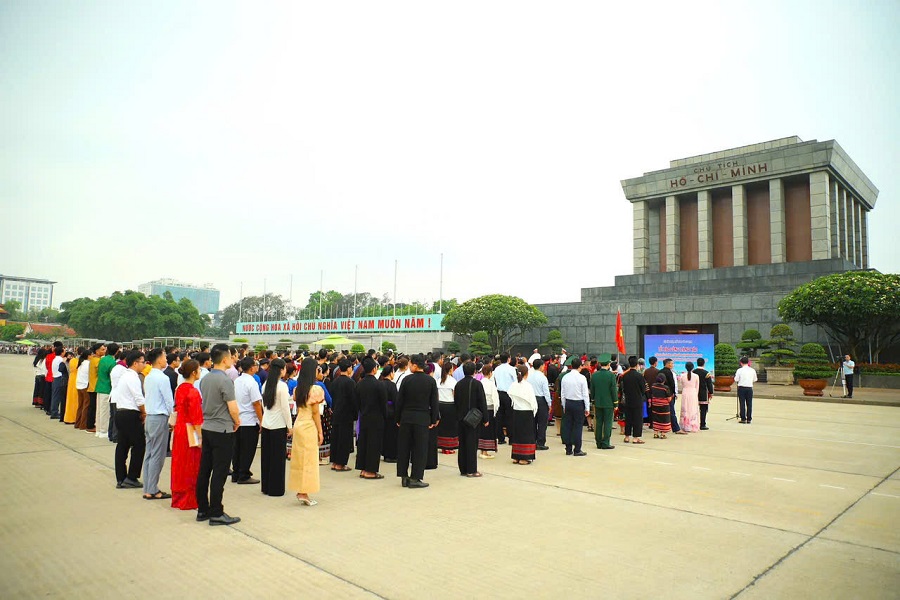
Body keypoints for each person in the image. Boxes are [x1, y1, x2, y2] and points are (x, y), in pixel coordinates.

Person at [196, 344, 241, 526]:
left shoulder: (205, 379)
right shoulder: (225, 380)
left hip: (207, 427)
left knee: (205, 470)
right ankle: (216, 512)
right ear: (224, 359)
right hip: (222, 429)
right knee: (219, 472)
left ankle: (202, 508)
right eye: (231, 357)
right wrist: (237, 421)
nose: (233, 360)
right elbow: (232, 407)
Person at [395, 354, 440, 489]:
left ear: (415, 365)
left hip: (406, 417)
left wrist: (398, 418)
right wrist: (434, 419)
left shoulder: (406, 380)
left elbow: (399, 401)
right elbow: (434, 402)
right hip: (422, 418)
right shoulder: (430, 381)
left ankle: (403, 476)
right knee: (420, 449)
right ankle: (415, 477)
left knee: (404, 447)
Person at [288, 357, 325, 506]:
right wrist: (320, 432)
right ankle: (304, 492)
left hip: (299, 424)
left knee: (299, 459)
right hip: (309, 425)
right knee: (309, 460)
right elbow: (315, 413)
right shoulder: (315, 389)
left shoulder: (298, 389)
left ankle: (301, 490)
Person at [142, 348, 174, 500]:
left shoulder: (149, 376)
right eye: (164, 356)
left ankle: (148, 487)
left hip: (150, 417)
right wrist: (172, 418)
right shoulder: (162, 378)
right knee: (157, 455)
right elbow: (169, 401)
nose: (166, 359)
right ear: (159, 359)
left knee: (149, 454)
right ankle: (152, 489)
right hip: (159, 417)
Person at [171, 360, 203, 510]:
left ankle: (178, 496)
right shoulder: (193, 392)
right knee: (191, 464)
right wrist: (200, 436)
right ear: (194, 373)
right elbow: (196, 417)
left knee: (179, 463)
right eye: (199, 370)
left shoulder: (180, 389)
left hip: (180, 428)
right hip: (190, 430)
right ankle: (189, 498)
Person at [113, 350, 147, 489]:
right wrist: (144, 412)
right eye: (142, 362)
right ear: (135, 363)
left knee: (122, 446)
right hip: (130, 414)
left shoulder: (124, 376)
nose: (144, 365)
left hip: (121, 412)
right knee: (139, 445)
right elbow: (139, 398)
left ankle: (121, 478)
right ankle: (132, 477)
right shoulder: (133, 377)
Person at [261, 358, 292, 497]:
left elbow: (264, 405)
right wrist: (290, 426)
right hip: (278, 425)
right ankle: (276, 489)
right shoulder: (282, 387)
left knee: (267, 457)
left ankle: (266, 486)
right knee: (277, 458)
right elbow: (285, 409)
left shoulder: (266, 384)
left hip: (266, 423)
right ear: (281, 370)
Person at [232, 356, 263, 485]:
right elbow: (256, 403)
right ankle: (244, 474)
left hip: (237, 419)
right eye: (255, 365)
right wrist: (261, 420)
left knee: (237, 448)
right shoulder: (252, 382)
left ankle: (236, 472)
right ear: (251, 368)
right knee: (247, 449)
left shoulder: (237, 381)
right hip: (249, 420)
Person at [355, 357, 387, 479]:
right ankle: (371, 470)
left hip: (364, 416)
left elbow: (357, 402)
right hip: (376, 417)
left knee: (363, 442)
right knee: (374, 444)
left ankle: (363, 468)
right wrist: (385, 416)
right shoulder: (379, 385)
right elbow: (383, 404)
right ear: (374, 369)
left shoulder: (359, 384)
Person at [454, 361, 488, 476]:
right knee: (472, 444)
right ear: (474, 371)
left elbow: (456, 402)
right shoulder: (477, 384)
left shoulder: (458, 384)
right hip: (473, 419)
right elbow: (482, 402)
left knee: (462, 443)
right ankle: (471, 470)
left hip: (461, 418)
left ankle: (463, 469)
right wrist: (485, 419)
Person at [328, 358, 358, 471]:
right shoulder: (350, 383)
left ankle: (334, 462)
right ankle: (341, 463)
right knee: (344, 439)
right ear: (349, 368)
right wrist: (355, 413)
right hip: (346, 414)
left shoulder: (335, 382)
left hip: (336, 412)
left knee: (335, 438)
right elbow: (353, 400)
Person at [508, 365, 538, 464]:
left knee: (517, 434)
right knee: (526, 435)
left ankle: (516, 457)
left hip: (516, 411)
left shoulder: (514, 384)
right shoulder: (528, 386)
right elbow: (533, 401)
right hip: (527, 412)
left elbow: (511, 396)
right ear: (527, 374)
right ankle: (524, 458)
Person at [559, 358, 590, 456]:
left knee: (568, 426)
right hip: (578, 403)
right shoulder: (582, 378)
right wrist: (587, 407)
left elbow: (563, 393)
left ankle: (568, 448)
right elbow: (585, 394)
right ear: (580, 366)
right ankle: (577, 449)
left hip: (568, 402)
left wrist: (564, 405)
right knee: (578, 426)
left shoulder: (565, 377)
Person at [590, 355, 617, 450]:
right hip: (608, 403)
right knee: (608, 423)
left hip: (597, 402)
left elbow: (592, 390)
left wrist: (593, 400)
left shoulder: (594, 375)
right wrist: (615, 403)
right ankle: (605, 442)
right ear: (608, 364)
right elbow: (613, 390)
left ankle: (598, 442)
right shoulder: (611, 375)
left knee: (598, 423)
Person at [621, 356, 648, 444]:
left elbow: (623, 389)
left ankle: (627, 436)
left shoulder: (625, 376)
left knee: (628, 418)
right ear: (637, 365)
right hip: (637, 400)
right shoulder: (639, 376)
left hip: (628, 400)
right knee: (637, 419)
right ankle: (636, 438)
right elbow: (643, 389)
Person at [493, 353, 517, 445]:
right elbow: (515, 382)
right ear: (508, 359)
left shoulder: (497, 369)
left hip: (499, 393)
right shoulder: (511, 369)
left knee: (499, 416)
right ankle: (511, 438)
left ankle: (500, 438)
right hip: (509, 394)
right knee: (510, 416)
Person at [436, 362, 459, 454]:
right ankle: (449, 447)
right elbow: (455, 395)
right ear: (450, 370)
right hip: (450, 406)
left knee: (442, 426)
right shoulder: (453, 381)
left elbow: (437, 395)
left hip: (440, 405)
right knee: (450, 427)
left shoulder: (439, 380)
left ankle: (442, 446)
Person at [529, 359, 552, 451]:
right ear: (541, 366)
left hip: (532, 399)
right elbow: (546, 392)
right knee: (542, 423)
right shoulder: (543, 377)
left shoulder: (530, 376)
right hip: (541, 400)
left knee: (533, 422)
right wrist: (549, 403)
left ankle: (533, 441)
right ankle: (540, 442)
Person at [478, 364, 498, 459]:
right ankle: (485, 452)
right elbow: (495, 398)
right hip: (489, 409)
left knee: (481, 430)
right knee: (488, 430)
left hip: (480, 409)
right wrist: (496, 409)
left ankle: (482, 450)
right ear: (490, 373)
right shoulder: (491, 384)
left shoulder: (480, 383)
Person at [379, 365, 399, 463]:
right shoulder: (392, 385)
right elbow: (396, 400)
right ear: (390, 373)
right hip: (391, 411)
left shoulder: (379, 383)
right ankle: (390, 455)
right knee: (391, 434)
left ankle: (382, 452)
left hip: (380, 410)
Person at [661, 358, 684, 434]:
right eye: (672, 363)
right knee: (671, 411)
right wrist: (674, 393)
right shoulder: (669, 372)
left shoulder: (660, 371)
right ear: (668, 364)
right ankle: (676, 428)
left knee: (662, 411)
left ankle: (663, 427)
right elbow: (672, 384)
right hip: (669, 395)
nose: (672, 365)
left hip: (661, 394)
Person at [678, 361, 700, 433]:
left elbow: (681, 385)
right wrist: (696, 394)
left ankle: (685, 425)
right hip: (693, 393)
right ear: (693, 367)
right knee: (693, 409)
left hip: (685, 392)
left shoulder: (682, 376)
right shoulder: (696, 376)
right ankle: (693, 425)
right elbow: (697, 387)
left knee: (685, 409)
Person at [734, 356, 757, 424]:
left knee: (742, 403)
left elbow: (736, 379)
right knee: (749, 403)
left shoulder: (739, 370)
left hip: (741, 388)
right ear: (748, 362)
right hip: (749, 388)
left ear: (741, 363)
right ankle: (749, 419)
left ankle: (743, 418)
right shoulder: (752, 370)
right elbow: (755, 379)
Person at [649, 373, 672, 438]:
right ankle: (663, 434)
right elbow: (669, 399)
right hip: (664, 406)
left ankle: (655, 433)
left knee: (656, 418)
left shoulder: (653, 386)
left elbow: (651, 394)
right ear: (664, 380)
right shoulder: (665, 388)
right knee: (664, 419)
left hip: (655, 405)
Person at [694, 358, 714, 430]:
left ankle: (693, 423)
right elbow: (709, 384)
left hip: (694, 393)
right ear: (704, 364)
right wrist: (711, 392)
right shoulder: (706, 373)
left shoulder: (693, 372)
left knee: (693, 409)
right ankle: (702, 424)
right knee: (703, 409)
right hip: (703, 393)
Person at [74, 349, 91, 430]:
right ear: (88, 356)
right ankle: (83, 424)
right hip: (85, 385)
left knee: (80, 405)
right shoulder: (88, 364)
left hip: (79, 385)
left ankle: (77, 423)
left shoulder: (81, 363)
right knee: (86, 406)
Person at [63, 349, 80, 424]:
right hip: (76, 380)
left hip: (71, 379)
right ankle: (74, 417)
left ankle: (68, 417)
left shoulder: (72, 361)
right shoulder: (79, 361)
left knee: (70, 399)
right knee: (75, 400)